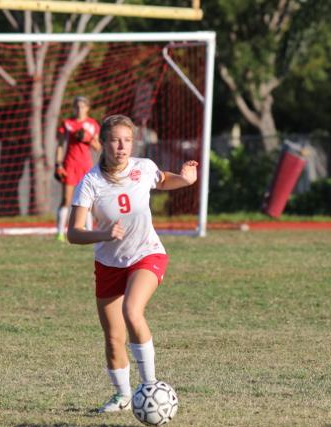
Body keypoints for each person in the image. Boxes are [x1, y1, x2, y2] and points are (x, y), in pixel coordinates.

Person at [66, 114, 198, 413]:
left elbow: (163, 180)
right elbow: (73, 233)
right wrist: (103, 233)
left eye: (127, 140)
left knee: (132, 310)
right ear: (104, 143)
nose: (122, 146)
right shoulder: (91, 182)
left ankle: (150, 387)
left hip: (146, 253)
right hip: (109, 262)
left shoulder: (143, 167)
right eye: (115, 140)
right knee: (113, 337)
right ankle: (122, 396)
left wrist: (186, 180)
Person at [54, 96, 101, 241]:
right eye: (77, 106)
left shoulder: (92, 124)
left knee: (88, 200)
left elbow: (98, 147)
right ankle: (60, 232)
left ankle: (88, 231)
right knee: (66, 199)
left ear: (87, 108)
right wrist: (58, 164)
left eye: (82, 106)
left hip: (85, 165)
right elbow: (60, 145)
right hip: (70, 164)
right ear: (74, 108)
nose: (79, 109)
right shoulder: (67, 124)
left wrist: (88, 138)